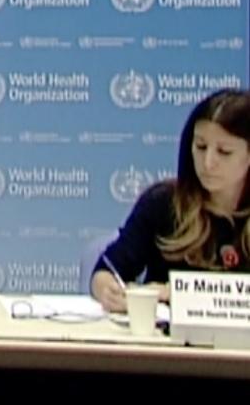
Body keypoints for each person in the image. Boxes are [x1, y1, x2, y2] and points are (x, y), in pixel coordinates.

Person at [91, 88, 250, 313]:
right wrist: (109, 291)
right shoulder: (163, 202)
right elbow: (107, 271)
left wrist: (179, 293)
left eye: (224, 152)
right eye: (201, 147)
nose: (208, 162)